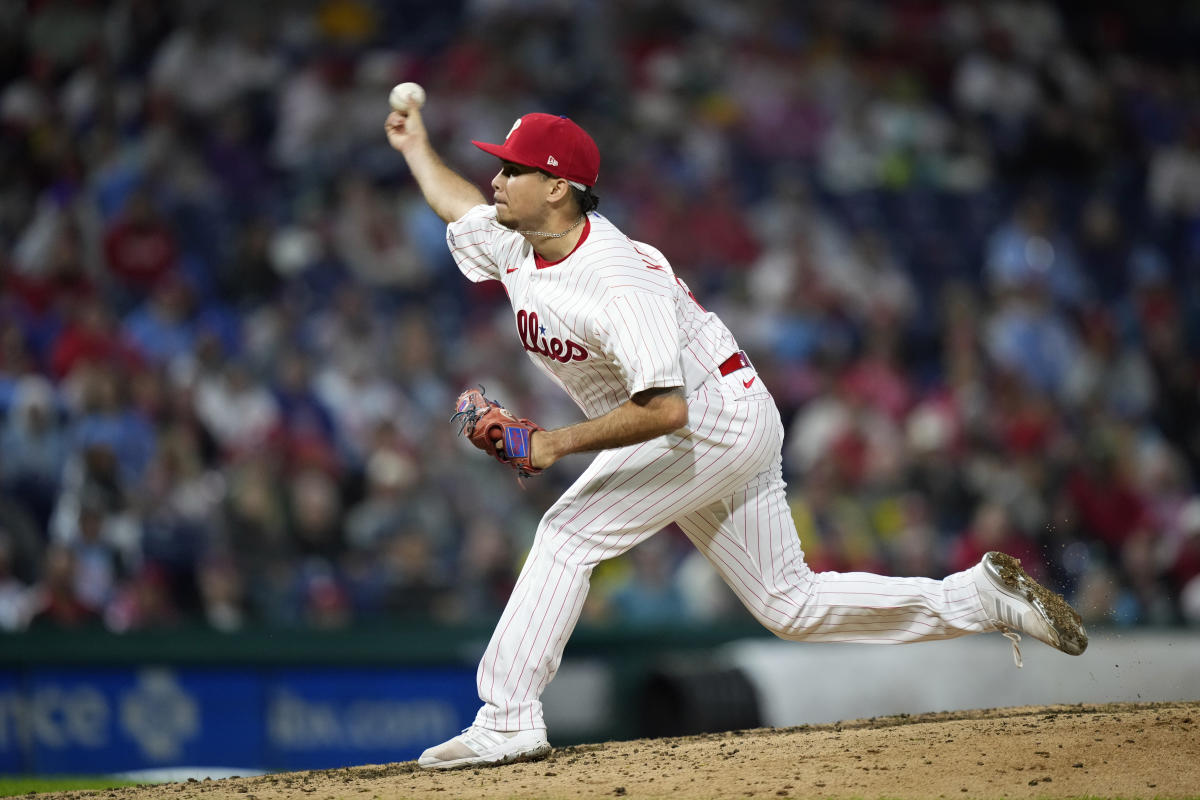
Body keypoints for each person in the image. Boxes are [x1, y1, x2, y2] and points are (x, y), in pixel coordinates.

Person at [384, 107, 1088, 771]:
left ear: (559, 188)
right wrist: (416, 145)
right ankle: (982, 599)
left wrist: (551, 445)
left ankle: (507, 717)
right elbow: (456, 205)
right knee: (789, 604)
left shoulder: (615, 279)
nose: (497, 180)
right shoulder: (519, 237)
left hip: (709, 419)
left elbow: (666, 411)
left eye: (513, 169)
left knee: (569, 533)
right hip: (717, 413)